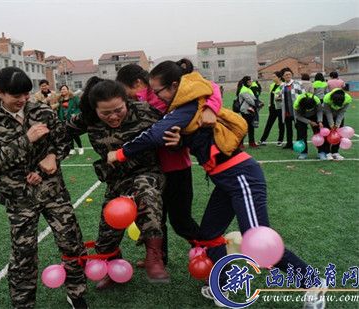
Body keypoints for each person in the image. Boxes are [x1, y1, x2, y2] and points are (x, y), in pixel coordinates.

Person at [106, 62, 326, 309]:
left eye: (159, 92)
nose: (156, 97)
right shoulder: (185, 105)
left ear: (175, 86)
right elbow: (183, 136)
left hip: (241, 176)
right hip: (225, 181)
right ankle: (222, 285)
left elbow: (155, 134)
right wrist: (180, 140)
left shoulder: (188, 104)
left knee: (258, 240)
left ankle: (314, 283)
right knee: (208, 235)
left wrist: (121, 153)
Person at [0, 67, 88, 309]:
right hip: (18, 197)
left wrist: (51, 158)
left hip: (53, 190)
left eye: (25, 94)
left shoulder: (42, 111)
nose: (22, 100)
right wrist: (26, 139)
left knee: (71, 241)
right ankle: (23, 303)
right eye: (15, 95)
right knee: (24, 253)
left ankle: (77, 292)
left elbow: (62, 141)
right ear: (0, 93)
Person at [65, 78, 170, 288]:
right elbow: (60, 131)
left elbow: (177, 125)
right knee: (106, 235)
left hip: (146, 172)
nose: (113, 116)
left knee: (145, 193)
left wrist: (180, 140)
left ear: (126, 101)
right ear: (95, 110)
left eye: (118, 110)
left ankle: (154, 256)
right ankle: (113, 270)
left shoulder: (145, 112)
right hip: (116, 180)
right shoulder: (88, 119)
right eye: (105, 113)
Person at [115, 62, 222, 266]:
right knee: (156, 219)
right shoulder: (138, 101)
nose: (126, 95)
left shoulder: (164, 92)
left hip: (177, 169)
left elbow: (211, 88)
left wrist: (210, 108)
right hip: (152, 171)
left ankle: (209, 255)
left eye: (126, 90)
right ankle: (159, 258)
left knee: (181, 221)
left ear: (138, 83)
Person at [322, 88, 352, 160]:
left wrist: (337, 125)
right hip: (326, 115)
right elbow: (328, 112)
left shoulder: (347, 99)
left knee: (339, 134)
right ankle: (327, 152)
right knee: (328, 133)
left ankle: (335, 151)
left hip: (339, 115)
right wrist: (332, 125)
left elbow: (342, 112)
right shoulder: (327, 98)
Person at [293, 92, 325, 160]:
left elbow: (319, 111)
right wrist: (309, 122)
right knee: (301, 135)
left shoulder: (317, 100)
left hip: (314, 116)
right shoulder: (296, 104)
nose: (309, 110)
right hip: (301, 116)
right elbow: (298, 116)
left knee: (318, 134)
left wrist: (320, 121)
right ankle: (303, 153)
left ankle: (321, 152)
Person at [279, 67, 303, 149]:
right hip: (286, 111)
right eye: (286, 75)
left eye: (289, 74)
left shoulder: (297, 83)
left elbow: (303, 95)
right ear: (283, 76)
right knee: (288, 128)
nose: (288, 76)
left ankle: (299, 144)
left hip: (296, 110)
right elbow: (280, 96)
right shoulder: (282, 86)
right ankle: (289, 143)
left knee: (298, 128)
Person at [259, 71, 284, 146]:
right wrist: (269, 105)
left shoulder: (283, 85)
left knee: (281, 125)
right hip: (272, 108)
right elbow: (271, 96)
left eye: (274, 76)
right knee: (269, 124)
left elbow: (284, 97)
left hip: (280, 108)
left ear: (279, 77)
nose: (272, 78)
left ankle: (280, 141)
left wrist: (279, 98)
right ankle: (263, 140)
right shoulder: (272, 85)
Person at [57, 85, 83, 155]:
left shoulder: (74, 98)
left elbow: (79, 107)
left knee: (74, 134)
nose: (63, 91)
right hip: (64, 120)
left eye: (64, 89)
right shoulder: (60, 100)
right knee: (67, 135)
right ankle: (72, 149)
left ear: (68, 90)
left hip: (72, 120)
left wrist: (75, 113)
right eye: (61, 90)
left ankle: (80, 147)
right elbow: (59, 110)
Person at [236, 76, 259, 148]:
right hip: (246, 111)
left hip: (250, 111)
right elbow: (251, 100)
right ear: (246, 82)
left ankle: (251, 142)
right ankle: (240, 144)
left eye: (251, 81)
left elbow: (254, 99)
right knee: (245, 128)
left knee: (250, 127)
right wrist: (258, 103)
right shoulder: (244, 90)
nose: (251, 82)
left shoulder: (248, 89)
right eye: (249, 81)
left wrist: (257, 102)